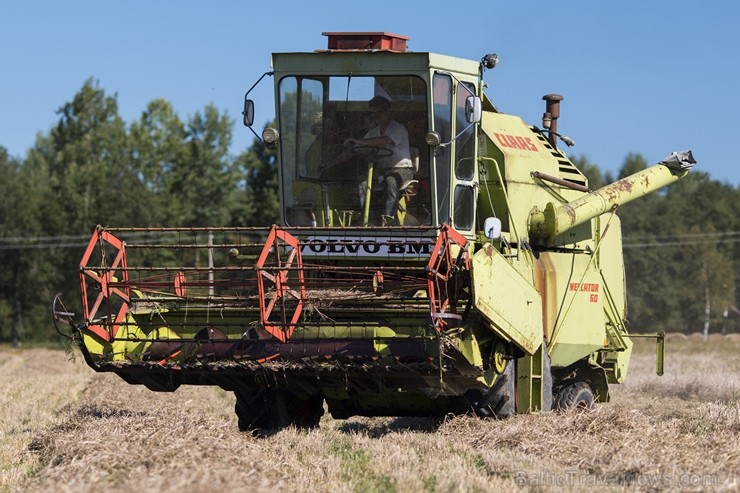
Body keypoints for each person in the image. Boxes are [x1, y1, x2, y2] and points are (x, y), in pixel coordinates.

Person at [326, 95, 414, 219]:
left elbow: (383, 141)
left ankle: (388, 220)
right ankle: (366, 218)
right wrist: (331, 163)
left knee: (391, 181)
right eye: (374, 114)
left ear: (388, 112)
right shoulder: (373, 132)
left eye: (380, 112)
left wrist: (360, 142)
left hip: (402, 170)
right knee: (362, 182)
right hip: (382, 171)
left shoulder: (398, 128)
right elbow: (354, 150)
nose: (377, 116)